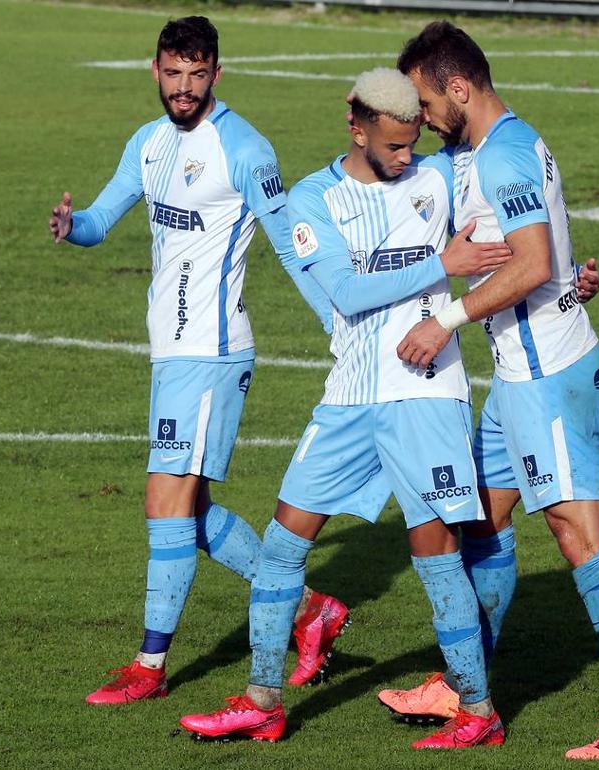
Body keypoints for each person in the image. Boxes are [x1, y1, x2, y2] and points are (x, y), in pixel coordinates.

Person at [177, 68, 516, 749]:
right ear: (355, 128)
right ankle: (263, 701)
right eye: (391, 146)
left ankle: (478, 711)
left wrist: (569, 283)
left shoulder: (441, 178)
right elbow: (347, 293)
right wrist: (438, 261)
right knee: (282, 545)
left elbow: (511, 247)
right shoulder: (314, 200)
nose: (404, 157)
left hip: (426, 396)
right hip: (351, 397)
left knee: (436, 554)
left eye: (410, 143)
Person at [380, 21, 599, 760]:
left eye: (425, 101)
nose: (420, 117)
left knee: (581, 537)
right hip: (519, 377)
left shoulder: (506, 155)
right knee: (482, 523)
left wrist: (445, 319)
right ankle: (464, 680)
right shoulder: (480, 148)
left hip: (547, 377)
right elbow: (548, 257)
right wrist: (576, 281)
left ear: (460, 89)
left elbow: (531, 261)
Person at [48, 16, 348, 705]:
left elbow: (289, 244)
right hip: (170, 353)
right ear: (154, 70)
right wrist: (73, 228)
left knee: (165, 504)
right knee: (193, 508)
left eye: (197, 75)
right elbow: (101, 218)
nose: (183, 89)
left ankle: (149, 666)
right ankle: (311, 610)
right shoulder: (148, 144)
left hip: (212, 354)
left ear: (217, 73)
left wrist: (338, 318)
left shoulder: (244, 148)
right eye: (172, 74)